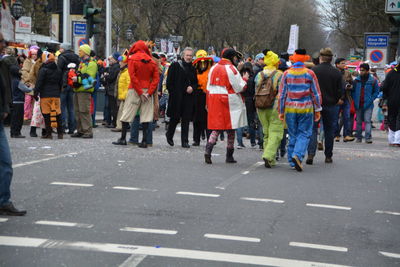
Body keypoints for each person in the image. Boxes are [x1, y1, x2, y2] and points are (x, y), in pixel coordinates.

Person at [278, 49, 322, 172]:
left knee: (292, 134)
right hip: (306, 108)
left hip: (290, 107)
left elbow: (282, 94)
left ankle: (292, 161)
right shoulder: (310, 73)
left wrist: (281, 110)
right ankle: (298, 154)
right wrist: (318, 108)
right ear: (305, 59)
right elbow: (316, 93)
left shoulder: (286, 74)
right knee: (304, 133)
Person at [204, 48, 248, 164]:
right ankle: (229, 155)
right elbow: (240, 87)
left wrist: (207, 103)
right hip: (228, 101)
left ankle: (208, 150)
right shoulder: (231, 69)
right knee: (231, 128)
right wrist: (244, 79)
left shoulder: (213, 68)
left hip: (214, 99)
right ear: (232, 57)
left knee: (217, 128)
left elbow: (207, 87)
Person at [112, 40, 159, 147]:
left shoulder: (132, 59)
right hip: (147, 90)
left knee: (127, 113)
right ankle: (144, 141)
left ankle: (123, 138)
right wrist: (148, 92)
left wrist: (139, 91)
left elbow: (132, 77)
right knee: (146, 116)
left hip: (134, 89)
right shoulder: (152, 61)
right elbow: (156, 80)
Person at [0, 32, 27, 216]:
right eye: (2, 43)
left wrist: (5, 107)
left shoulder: (3, 63)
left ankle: (3, 200)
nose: (3, 46)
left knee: (5, 163)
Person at [310, 48, 343, 163]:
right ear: (331, 59)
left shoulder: (313, 70)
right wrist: (336, 99)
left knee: (313, 129)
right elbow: (341, 90)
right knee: (329, 130)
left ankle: (311, 154)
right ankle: (328, 156)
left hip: (315, 104)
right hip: (331, 104)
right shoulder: (336, 72)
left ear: (320, 58)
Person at [254, 51, 284, 168]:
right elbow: (282, 93)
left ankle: (270, 159)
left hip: (261, 105)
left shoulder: (259, 74)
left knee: (266, 132)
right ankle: (268, 155)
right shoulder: (279, 75)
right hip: (275, 106)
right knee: (275, 132)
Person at [166, 47, 198, 148]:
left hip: (188, 98)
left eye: (190, 56)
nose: (189, 57)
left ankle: (185, 141)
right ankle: (169, 135)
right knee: (174, 119)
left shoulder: (193, 68)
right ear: (183, 55)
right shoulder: (175, 65)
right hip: (176, 97)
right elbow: (169, 82)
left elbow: (195, 83)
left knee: (186, 120)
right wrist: (173, 93)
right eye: (187, 55)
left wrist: (192, 88)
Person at [34, 51, 63, 139]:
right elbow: (60, 83)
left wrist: (35, 93)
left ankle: (49, 133)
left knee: (46, 114)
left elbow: (39, 83)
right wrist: (58, 92)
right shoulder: (58, 69)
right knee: (57, 114)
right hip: (56, 95)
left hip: (45, 95)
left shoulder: (43, 69)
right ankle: (60, 133)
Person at [71, 44, 97, 138]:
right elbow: (82, 75)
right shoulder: (82, 63)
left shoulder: (92, 64)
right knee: (77, 111)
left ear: (86, 52)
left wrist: (77, 79)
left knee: (84, 111)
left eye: (80, 50)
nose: (79, 52)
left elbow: (90, 78)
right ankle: (80, 130)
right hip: (78, 90)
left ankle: (88, 131)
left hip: (85, 91)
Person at [352, 63, 379, 143]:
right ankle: (359, 137)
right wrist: (354, 99)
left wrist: (371, 99)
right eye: (360, 70)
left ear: (367, 71)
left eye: (363, 70)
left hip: (368, 104)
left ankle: (368, 138)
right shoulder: (356, 80)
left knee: (367, 121)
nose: (361, 72)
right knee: (359, 122)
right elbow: (353, 91)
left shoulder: (373, 80)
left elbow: (376, 91)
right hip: (358, 104)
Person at [57, 43, 80, 134]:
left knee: (62, 106)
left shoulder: (61, 57)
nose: (59, 50)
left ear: (64, 49)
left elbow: (58, 71)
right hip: (73, 83)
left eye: (60, 48)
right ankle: (72, 127)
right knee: (71, 107)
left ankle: (63, 126)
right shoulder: (77, 57)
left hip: (63, 84)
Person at [192, 49, 213, 146]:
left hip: (208, 96)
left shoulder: (211, 71)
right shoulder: (194, 71)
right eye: (201, 63)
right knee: (197, 119)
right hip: (197, 96)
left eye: (204, 63)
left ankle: (210, 139)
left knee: (208, 119)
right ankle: (196, 139)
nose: (203, 65)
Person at [334, 58, 355, 142]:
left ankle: (346, 135)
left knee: (347, 117)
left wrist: (350, 86)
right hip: (336, 98)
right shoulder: (334, 73)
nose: (344, 64)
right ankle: (336, 135)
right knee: (335, 118)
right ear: (337, 64)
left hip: (346, 97)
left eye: (344, 63)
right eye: (342, 63)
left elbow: (352, 83)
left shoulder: (347, 73)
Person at [381, 58, 400, 147]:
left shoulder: (391, 73)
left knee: (391, 117)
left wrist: (386, 97)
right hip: (394, 99)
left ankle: (392, 139)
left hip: (391, 100)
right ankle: (397, 140)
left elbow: (384, 87)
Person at [10, 65, 32, 138]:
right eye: (19, 70)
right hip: (19, 102)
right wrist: (32, 87)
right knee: (19, 119)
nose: (20, 72)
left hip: (14, 101)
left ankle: (13, 132)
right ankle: (17, 133)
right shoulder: (17, 81)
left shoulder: (13, 80)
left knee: (14, 118)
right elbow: (26, 90)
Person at [21, 45, 38, 122]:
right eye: (33, 54)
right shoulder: (27, 61)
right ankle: (26, 115)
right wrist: (29, 81)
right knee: (28, 100)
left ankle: (34, 115)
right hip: (29, 84)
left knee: (35, 101)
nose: (34, 56)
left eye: (35, 54)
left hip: (36, 84)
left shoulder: (38, 62)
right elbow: (24, 72)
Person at [104, 53, 121, 128]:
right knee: (112, 107)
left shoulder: (116, 67)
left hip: (112, 90)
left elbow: (111, 78)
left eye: (112, 58)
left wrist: (106, 76)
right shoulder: (113, 67)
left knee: (114, 108)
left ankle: (115, 123)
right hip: (110, 89)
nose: (110, 60)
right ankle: (114, 122)